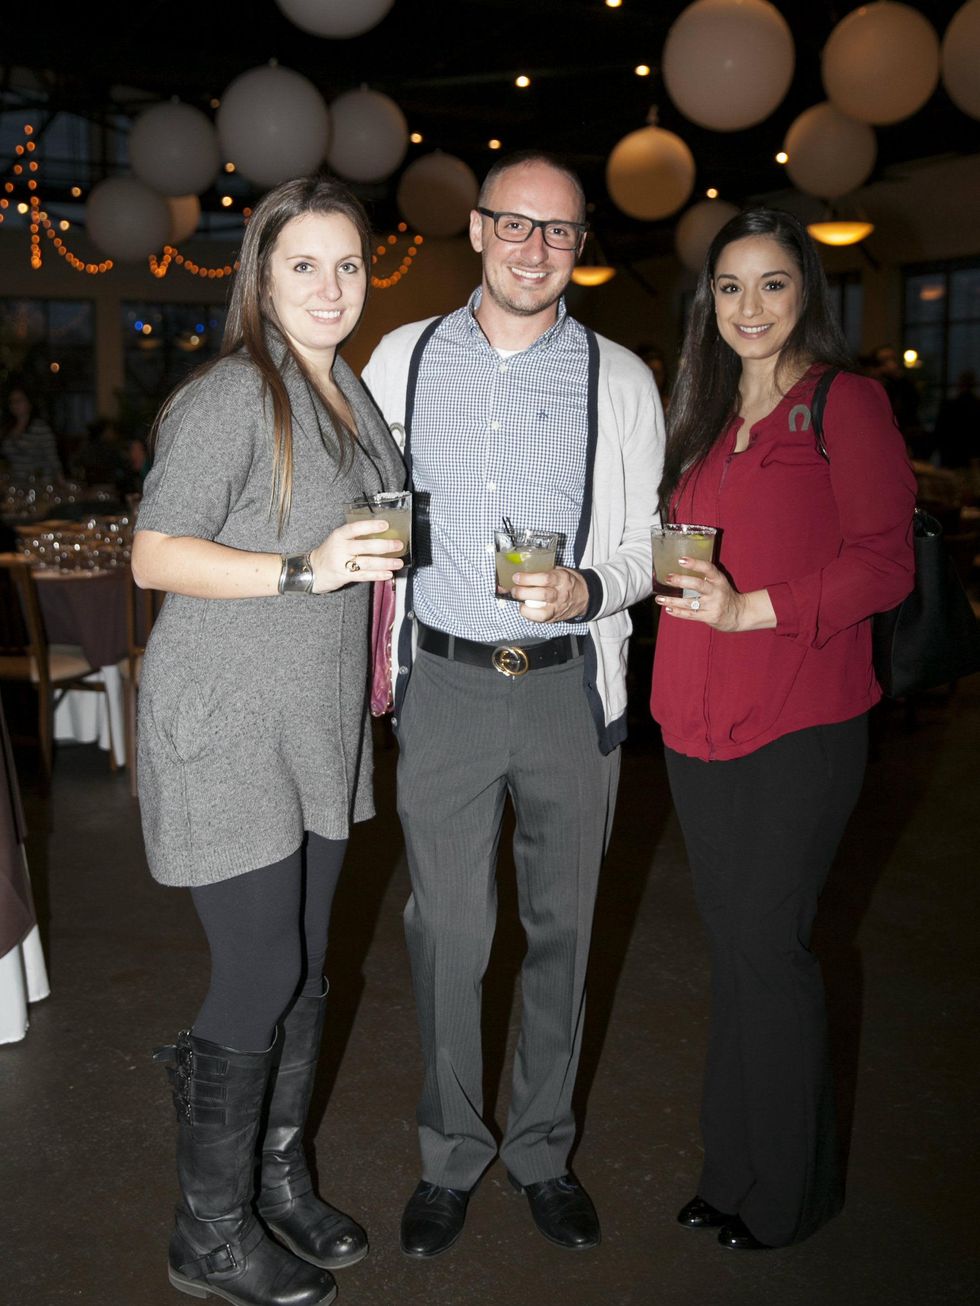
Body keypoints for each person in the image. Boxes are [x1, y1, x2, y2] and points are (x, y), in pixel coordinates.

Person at [363, 151, 664, 1258]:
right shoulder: (401, 357)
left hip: (561, 688)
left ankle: (540, 1147)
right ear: (479, 231)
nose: (535, 249)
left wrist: (592, 585)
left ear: (579, 250)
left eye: (560, 233)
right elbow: (367, 502)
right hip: (442, 679)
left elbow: (638, 544)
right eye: (516, 226)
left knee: (565, 929)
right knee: (446, 929)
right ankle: (450, 1151)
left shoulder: (619, 379)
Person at [131, 175, 405, 1306]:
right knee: (259, 970)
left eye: (347, 264)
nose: (331, 286)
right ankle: (208, 1228)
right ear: (261, 275)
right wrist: (304, 567)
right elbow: (153, 554)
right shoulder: (234, 397)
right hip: (229, 718)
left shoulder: (345, 392)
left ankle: (276, 1180)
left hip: (317, 723)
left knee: (302, 970)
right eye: (305, 264)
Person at [650, 208, 915, 1251]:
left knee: (770, 947)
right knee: (736, 952)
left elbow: (883, 563)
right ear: (704, 302)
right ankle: (731, 1169)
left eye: (769, 284)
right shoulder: (705, 414)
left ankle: (789, 1189)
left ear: (804, 290)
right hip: (693, 718)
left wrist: (746, 607)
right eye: (727, 287)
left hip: (798, 716)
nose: (747, 307)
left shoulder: (843, 405)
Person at [0, 383, 63, 482]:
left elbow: (52, 458)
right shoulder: (8, 428)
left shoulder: (40, 428)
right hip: (16, 483)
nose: (15, 404)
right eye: (12, 401)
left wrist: (61, 482)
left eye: (19, 400)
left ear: (29, 403)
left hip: (39, 483)